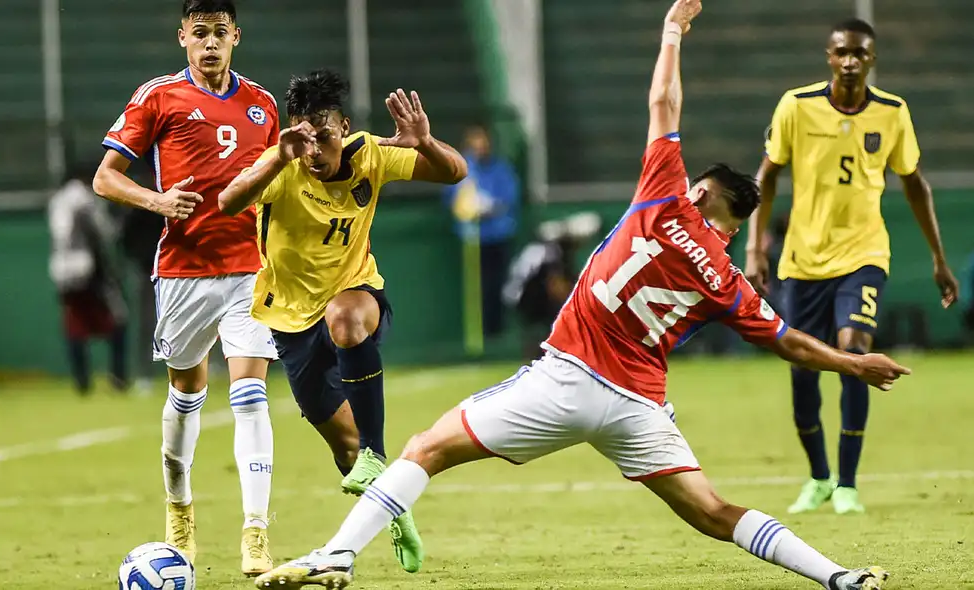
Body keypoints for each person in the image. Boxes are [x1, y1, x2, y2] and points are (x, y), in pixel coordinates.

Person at [253, 2, 905, 589]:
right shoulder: (727, 281)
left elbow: (662, 105)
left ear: (702, 193)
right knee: (713, 511)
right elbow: (788, 340)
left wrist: (672, 32)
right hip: (639, 409)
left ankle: (336, 556)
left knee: (426, 448)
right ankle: (839, 577)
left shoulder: (664, 196)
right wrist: (854, 363)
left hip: (565, 382)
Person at [218, 69, 467, 574]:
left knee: (347, 319)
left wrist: (426, 142)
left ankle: (378, 452)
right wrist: (277, 159)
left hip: (355, 293)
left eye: (325, 135)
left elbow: (454, 171)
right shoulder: (282, 163)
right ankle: (395, 507)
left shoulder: (368, 153)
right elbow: (228, 202)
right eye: (305, 138)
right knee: (345, 449)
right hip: (289, 319)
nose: (314, 149)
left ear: (344, 127)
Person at [91, 0, 280, 575]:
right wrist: (158, 201)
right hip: (183, 271)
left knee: (250, 394)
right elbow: (106, 178)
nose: (210, 43)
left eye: (220, 33)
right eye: (200, 34)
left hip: (249, 266)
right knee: (186, 394)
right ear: (182, 38)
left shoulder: (263, 105)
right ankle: (180, 511)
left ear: (236, 37)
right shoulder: (158, 97)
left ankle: (255, 534)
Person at [744, 18, 960, 515]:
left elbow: (914, 183)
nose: (849, 61)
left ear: (871, 60)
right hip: (802, 259)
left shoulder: (892, 112)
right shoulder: (796, 106)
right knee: (802, 366)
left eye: (859, 54)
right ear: (828, 56)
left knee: (855, 352)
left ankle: (847, 484)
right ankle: (818, 477)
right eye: (841, 52)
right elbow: (768, 175)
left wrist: (939, 258)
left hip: (864, 254)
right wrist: (757, 249)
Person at [48, 161, 128, 395]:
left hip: (61, 271)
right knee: (117, 321)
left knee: (75, 324)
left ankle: (81, 381)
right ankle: (118, 377)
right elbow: (102, 233)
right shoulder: (85, 199)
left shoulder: (57, 201)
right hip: (88, 269)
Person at [444, 124, 520, 338]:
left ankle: (496, 333)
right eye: (475, 144)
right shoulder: (462, 168)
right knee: (477, 289)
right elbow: (452, 199)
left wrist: (490, 206)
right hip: (472, 239)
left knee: (499, 285)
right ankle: (478, 337)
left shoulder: (501, 169)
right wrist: (467, 207)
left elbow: (509, 198)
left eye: (483, 143)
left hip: (499, 236)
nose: (480, 148)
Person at [503, 212, 601, 358]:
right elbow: (555, 285)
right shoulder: (552, 252)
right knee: (558, 316)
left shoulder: (539, 248)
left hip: (518, 293)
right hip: (526, 296)